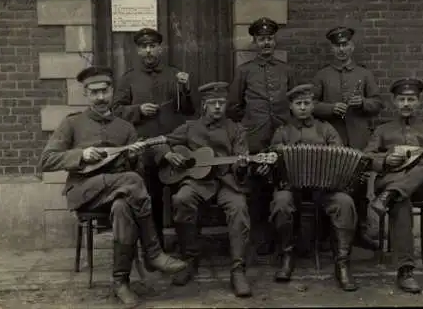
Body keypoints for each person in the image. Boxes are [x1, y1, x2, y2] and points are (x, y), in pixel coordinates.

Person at [39, 66, 187, 305]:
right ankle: (153, 252)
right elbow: (46, 160)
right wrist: (81, 155)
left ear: (111, 92)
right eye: (94, 92)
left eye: (104, 91)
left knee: (123, 208)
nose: (100, 97)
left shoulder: (125, 128)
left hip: (119, 192)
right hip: (84, 190)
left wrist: (132, 157)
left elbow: (134, 171)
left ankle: (121, 282)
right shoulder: (72, 124)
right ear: (86, 94)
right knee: (133, 182)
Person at [153, 82, 253, 297]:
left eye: (222, 103)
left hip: (226, 181)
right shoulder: (190, 128)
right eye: (213, 103)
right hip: (198, 181)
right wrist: (168, 154)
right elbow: (159, 142)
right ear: (204, 105)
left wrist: (242, 165)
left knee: (239, 207)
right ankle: (189, 258)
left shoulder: (236, 129)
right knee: (181, 199)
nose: (217, 107)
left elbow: (240, 162)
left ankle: (238, 269)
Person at [265, 84, 359, 291]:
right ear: (291, 107)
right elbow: (271, 162)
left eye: (307, 103)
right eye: (298, 104)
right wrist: (277, 155)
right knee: (281, 203)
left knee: (345, 203)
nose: (303, 108)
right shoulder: (282, 132)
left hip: (325, 189)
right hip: (291, 188)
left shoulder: (326, 129)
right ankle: (287, 256)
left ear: (313, 105)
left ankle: (342, 263)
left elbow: (340, 156)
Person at [365, 78, 423, 294]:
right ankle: (405, 270)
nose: (406, 104)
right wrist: (385, 159)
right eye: (402, 99)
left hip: (420, 186)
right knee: (401, 199)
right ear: (394, 102)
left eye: (411, 99)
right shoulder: (383, 130)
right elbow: (367, 157)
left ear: (418, 102)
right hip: (390, 179)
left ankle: (392, 194)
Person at [111, 27, 196, 249]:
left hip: (174, 144)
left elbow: (187, 110)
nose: (148, 51)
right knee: (151, 197)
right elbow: (115, 110)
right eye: (143, 46)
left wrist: (185, 89)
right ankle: (155, 246)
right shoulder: (128, 78)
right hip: (146, 146)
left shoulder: (174, 74)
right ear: (138, 50)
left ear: (160, 48)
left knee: (181, 195)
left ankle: (185, 244)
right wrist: (138, 110)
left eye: (152, 46)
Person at [227, 17, 298, 255]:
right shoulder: (244, 71)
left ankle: (283, 238)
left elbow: (294, 102)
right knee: (257, 189)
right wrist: (250, 125)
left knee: (282, 183)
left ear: (274, 40)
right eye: (261, 39)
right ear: (254, 42)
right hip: (256, 137)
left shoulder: (286, 70)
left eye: (269, 38)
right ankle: (261, 238)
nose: (266, 43)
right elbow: (234, 106)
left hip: (281, 136)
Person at [312, 26, 384, 251]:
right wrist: (331, 108)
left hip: (359, 138)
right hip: (331, 141)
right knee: (330, 185)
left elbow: (378, 104)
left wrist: (362, 103)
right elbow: (310, 106)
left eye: (345, 45)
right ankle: (328, 233)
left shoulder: (364, 74)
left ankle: (360, 232)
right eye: (337, 46)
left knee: (360, 187)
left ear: (352, 46)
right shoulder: (322, 75)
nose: (341, 49)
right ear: (331, 49)